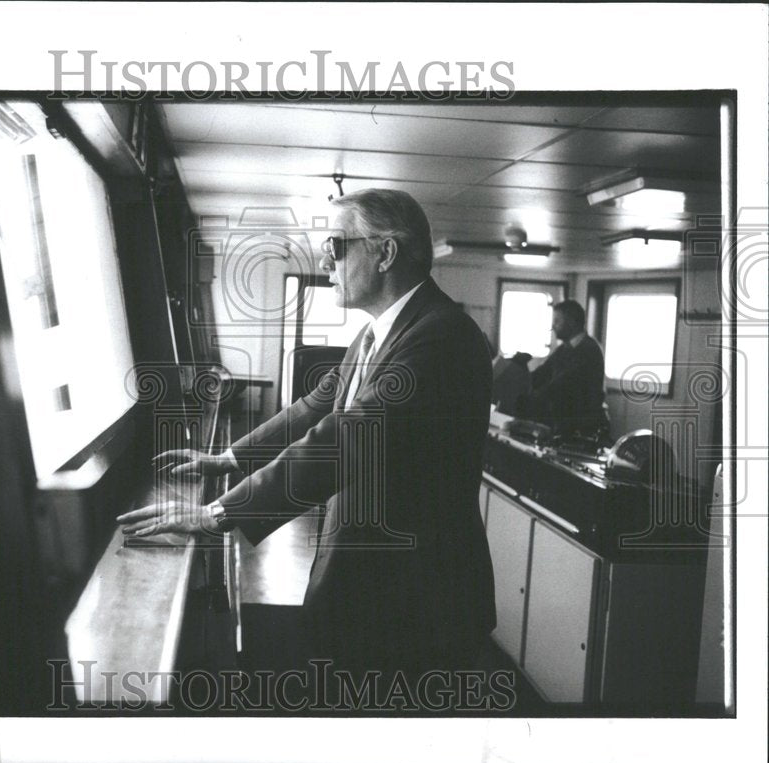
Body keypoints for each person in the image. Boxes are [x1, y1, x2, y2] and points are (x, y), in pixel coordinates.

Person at [118, 189, 496, 692]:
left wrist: (218, 514)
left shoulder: (442, 336)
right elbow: (314, 408)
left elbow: (349, 436)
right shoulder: (375, 335)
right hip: (370, 588)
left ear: (384, 253)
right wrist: (225, 460)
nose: (325, 258)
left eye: (336, 246)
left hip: (417, 604)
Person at [522, 300, 607, 437]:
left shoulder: (589, 350)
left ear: (572, 322)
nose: (552, 326)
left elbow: (561, 384)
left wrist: (530, 399)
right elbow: (541, 374)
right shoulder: (564, 349)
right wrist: (520, 377)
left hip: (582, 427)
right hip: (565, 421)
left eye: (557, 321)